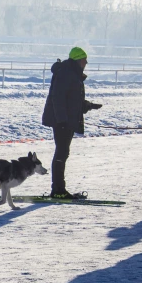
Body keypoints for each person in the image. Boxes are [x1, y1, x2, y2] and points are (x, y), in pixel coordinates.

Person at [42, 47, 102, 199]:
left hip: (66, 121)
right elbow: (58, 98)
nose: (86, 62)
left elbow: (72, 100)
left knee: (63, 152)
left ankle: (59, 189)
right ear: (77, 60)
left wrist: (87, 105)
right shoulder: (66, 73)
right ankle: (58, 190)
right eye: (84, 60)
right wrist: (62, 120)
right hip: (62, 121)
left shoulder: (72, 74)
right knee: (61, 153)